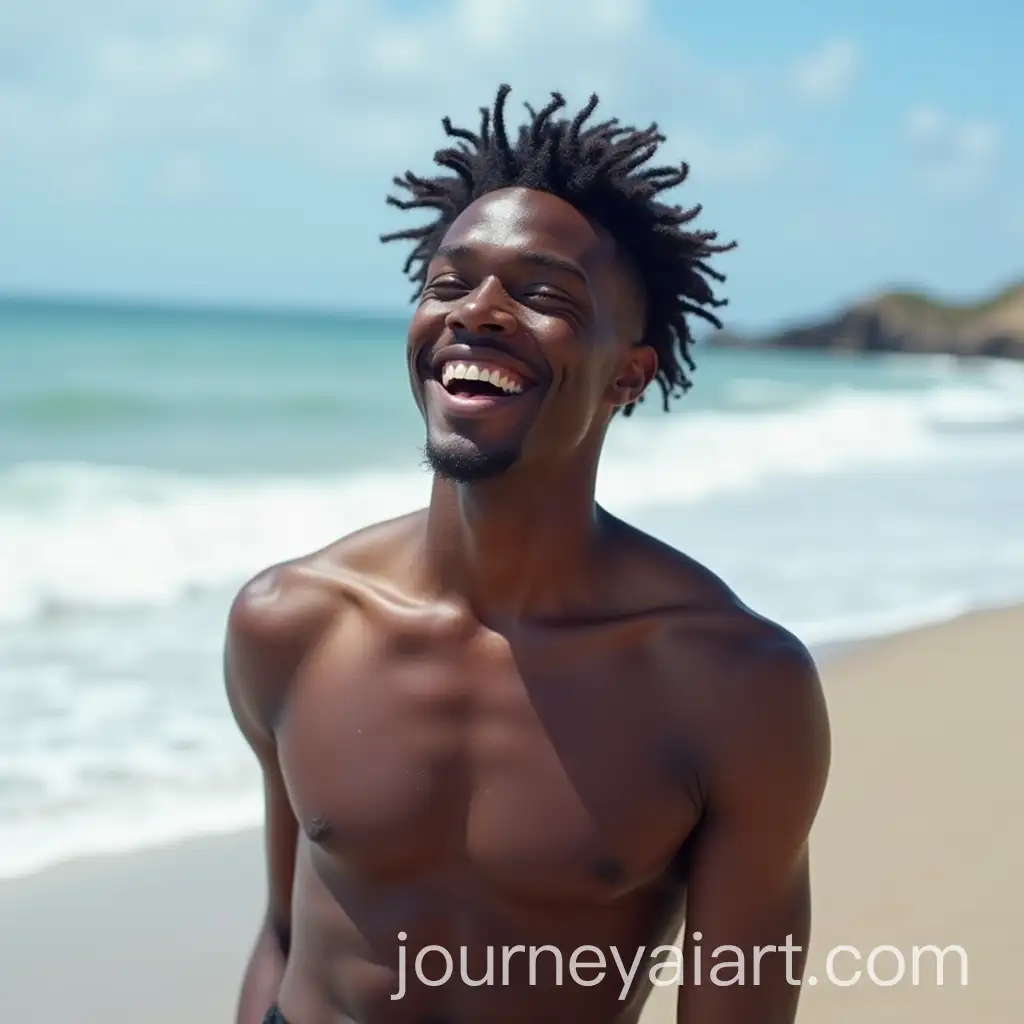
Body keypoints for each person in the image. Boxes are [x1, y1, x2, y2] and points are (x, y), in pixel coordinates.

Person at [226, 84, 831, 1024]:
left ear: (628, 375)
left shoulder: (734, 686)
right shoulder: (290, 624)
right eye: (448, 282)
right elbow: (282, 938)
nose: (481, 311)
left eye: (543, 294)